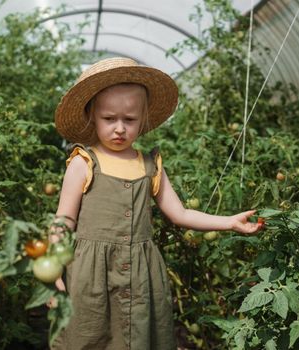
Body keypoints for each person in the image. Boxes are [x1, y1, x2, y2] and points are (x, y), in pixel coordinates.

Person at [50, 57, 262, 350]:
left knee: (137, 336)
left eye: (130, 120)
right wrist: (51, 273)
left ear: (143, 118)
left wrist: (228, 222)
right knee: (88, 334)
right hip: (89, 274)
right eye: (109, 119)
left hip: (140, 273)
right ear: (92, 116)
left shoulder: (150, 165)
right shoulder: (83, 163)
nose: (120, 128)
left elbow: (180, 213)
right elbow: (64, 220)